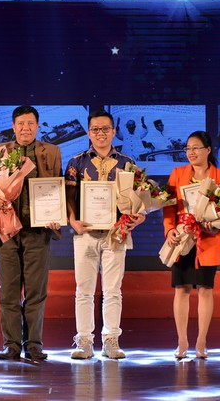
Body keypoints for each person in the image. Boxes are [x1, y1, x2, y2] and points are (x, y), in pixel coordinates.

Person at [0, 105, 62, 361]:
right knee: (8, 291)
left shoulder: (51, 151)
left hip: (38, 230)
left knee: (36, 290)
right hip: (6, 229)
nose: (26, 128)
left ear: (38, 126)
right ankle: (11, 344)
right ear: (13, 127)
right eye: (21, 124)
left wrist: (57, 214)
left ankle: (34, 344)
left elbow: (57, 185)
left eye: (30, 123)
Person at [65, 109, 146, 360]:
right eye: (95, 129)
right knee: (84, 290)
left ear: (113, 131)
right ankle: (84, 341)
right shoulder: (76, 162)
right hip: (85, 233)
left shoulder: (127, 163)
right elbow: (68, 196)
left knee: (113, 290)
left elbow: (138, 198)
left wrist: (139, 216)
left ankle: (111, 340)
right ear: (89, 133)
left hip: (116, 232)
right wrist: (72, 220)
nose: (100, 133)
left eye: (105, 129)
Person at [162, 130, 220, 360]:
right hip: (182, 239)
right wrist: (170, 229)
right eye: (188, 148)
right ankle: (182, 341)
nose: (191, 152)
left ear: (208, 150)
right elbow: (169, 207)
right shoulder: (177, 173)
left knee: (205, 289)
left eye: (196, 148)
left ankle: (201, 341)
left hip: (207, 240)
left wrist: (215, 225)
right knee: (181, 289)